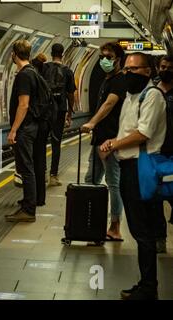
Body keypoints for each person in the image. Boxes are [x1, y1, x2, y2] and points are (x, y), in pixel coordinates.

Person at [100, 52, 166, 300]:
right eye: (126, 69)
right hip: (130, 167)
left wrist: (114, 145)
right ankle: (146, 283)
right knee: (138, 230)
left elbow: (143, 134)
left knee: (143, 231)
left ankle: (149, 288)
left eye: (134, 69)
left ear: (148, 71)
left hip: (143, 168)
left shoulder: (152, 97)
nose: (128, 73)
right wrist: (113, 143)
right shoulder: (130, 96)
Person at [81, 42, 126, 241]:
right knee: (90, 180)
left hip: (110, 140)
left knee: (113, 183)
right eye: (102, 57)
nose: (104, 61)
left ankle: (115, 226)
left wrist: (91, 122)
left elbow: (109, 104)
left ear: (118, 59)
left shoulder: (119, 81)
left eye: (109, 57)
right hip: (99, 138)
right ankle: (90, 221)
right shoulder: (107, 79)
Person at [5, 39, 46, 222]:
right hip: (32, 126)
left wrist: (13, 130)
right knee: (28, 166)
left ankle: (29, 210)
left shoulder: (24, 75)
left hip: (25, 128)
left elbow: (23, 105)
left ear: (14, 54)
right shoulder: (33, 72)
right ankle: (27, 203)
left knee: (26, 168)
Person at [43, 43, 76, 187]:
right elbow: (70, 94)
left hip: (44, 111)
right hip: (60, 110)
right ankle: (53, 176)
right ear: (62, 54)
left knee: (41, 142)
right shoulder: (68, 71)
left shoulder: (44, 68)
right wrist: (70, 112)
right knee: (56, 143)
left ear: (51, 53)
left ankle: (42, 173)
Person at [155, 55, 173, 253]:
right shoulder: (152, 91)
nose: (165, 70)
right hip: (157, 153)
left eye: (169, 67)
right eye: (163, 66)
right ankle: (160, 238)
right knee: (156, 196)